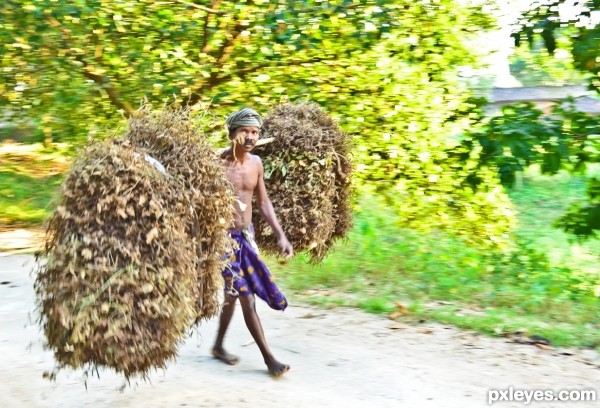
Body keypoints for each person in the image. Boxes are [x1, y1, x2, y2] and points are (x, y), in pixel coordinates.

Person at [212, 107, 293, 378]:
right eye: (245, 131)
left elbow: (264, 202)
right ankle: (270, 359)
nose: (250, 136)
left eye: (255, 132)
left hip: (246, 237)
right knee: (245, 296)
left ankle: (218, 346)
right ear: (232, 133)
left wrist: (280, 234)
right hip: (222, 241)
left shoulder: (256, 163)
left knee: (232, 295)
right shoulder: (214, 164)